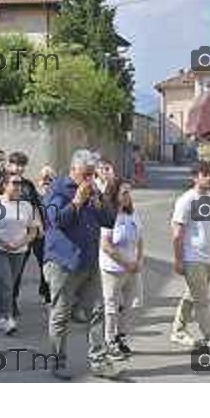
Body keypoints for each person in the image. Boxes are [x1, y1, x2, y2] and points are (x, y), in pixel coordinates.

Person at [43, 149, 117, 379]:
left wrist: (101, 200)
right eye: (86, 174)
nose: (89, 179)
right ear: (74, 169)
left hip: (89, 260)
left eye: (92, 175)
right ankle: (58, 361)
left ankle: (98, 360)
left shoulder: (93, 189)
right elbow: (56, 221)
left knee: (96, 311)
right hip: (63, 263)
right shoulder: (58, 189)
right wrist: (77, 201)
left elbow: (109, 220)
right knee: (61, 314)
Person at [170, 160, 210, 352]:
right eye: (205, 174)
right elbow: (177, 232)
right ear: (195, 177)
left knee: (192, 295)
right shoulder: (187, 200)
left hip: (208, 258)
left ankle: (178, 330)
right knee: (202, 300)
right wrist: (178, 259)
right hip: (192, 258)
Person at [0, 173, 39, 334]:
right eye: (14, 183)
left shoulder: (27, 206)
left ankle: (4, 314)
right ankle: (6, 317)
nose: (18, 187)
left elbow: (33, 231)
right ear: (5, 185)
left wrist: (20, 243)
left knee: (10, 284)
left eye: (20, 184)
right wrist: (5, 242)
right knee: (6, 282)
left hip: (19, 250)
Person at [99, 179, 144, 359]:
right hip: (113, 269)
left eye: (129, 192)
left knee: (128, 305)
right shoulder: (108, 215)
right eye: (124, 193)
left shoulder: (132, 214)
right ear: (114, 194)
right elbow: (106, 245)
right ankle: (109, 342)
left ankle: (121, 337)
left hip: (132, 269)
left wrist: (139, 260)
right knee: (111, 306)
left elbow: (140, 238)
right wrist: (126, 263)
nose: (128, 196)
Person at [7, 151, 44, 316]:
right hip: (11, 230)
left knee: (31, 265)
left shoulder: (28, 185)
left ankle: (44, 295)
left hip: (29, 230)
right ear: (10, 164)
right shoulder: (4, 181)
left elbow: (36, 205)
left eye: (22, 165)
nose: (19, 168)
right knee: (13, 269)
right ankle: (10, 300)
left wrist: (40, 227)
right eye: (16, 164)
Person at [36, 165, 57, 302]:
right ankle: (45, 289)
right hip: (39, 235)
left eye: (50, 178)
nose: (46, 181)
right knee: (42, 263)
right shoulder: (36, 196)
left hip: (53, 234)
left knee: (49, 264)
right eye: (44, 178)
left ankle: (47, 291)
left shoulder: (56, 195)